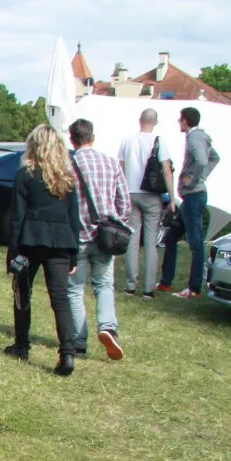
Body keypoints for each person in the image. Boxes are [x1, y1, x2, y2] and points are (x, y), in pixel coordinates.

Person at [5, 124, 82, 376]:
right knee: (60, 299)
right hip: (61, 242)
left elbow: (17, 217)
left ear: (33, 146)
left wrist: (13, 252)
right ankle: (67, 353)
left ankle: (22, 345)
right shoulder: (66, 178)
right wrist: (74, 253)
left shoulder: (25, 175)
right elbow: (74, 217)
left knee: (22, 294)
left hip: (30, 240)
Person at [67, 119, 131, 360]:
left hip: (78, 235)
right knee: (104, 284)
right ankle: (107, 326)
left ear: (72, 140)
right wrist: (116, 222)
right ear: (93, 137)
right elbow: (124, 202)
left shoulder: (69, 165)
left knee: (74, 289)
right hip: (105, 235)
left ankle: (78, 341)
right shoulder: (111, 163)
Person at [160, 106, 220, 298]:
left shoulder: (194, 138)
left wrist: (193, 179)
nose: (179, 123)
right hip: (192, 197)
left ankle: (194, 288)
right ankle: (165, 282)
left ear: (185, 120)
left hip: (194, 196)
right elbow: (214, 158)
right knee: (171, 237)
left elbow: (202, 161)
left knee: (195, 243)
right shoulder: (202, 137)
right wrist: (202, 177)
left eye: (180, 119)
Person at [117, 108, 176, 298]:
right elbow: (166, 170)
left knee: (132, 240)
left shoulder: (127, 141)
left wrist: (121, 192)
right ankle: (148, 288)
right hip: (151, 195)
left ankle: (130, 285)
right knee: (151, 242)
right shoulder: (159, 141)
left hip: (131, 193)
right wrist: (173, 198)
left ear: (139, 120)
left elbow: (121, 167)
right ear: (155, 122)